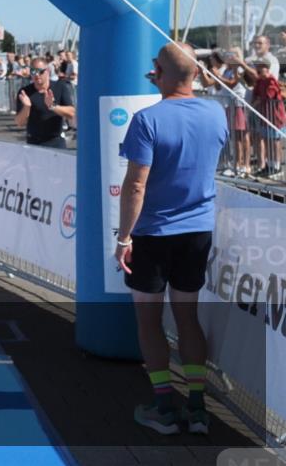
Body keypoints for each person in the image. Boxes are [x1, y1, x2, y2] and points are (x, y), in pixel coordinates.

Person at [115, 42, 228, 436]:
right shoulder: (217, 113)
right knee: (187, 316)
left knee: (149, 322)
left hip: (153, 234)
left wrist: (123, 237)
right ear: (196, 73)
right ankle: (197, 408)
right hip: (198, 231)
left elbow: (135, 187)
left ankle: (164, 407)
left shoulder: (147, 120)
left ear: (158, 73)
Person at [14, 58, 76, 148]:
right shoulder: (25, 92)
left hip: (55, 141)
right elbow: (19, 122)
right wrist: (27, 107)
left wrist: (53, 106)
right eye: (33, 72)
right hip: (34, 142)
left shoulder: (60, 87)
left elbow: (71, 113)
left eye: (40, 72)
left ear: (48, 71)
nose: (37, 75)